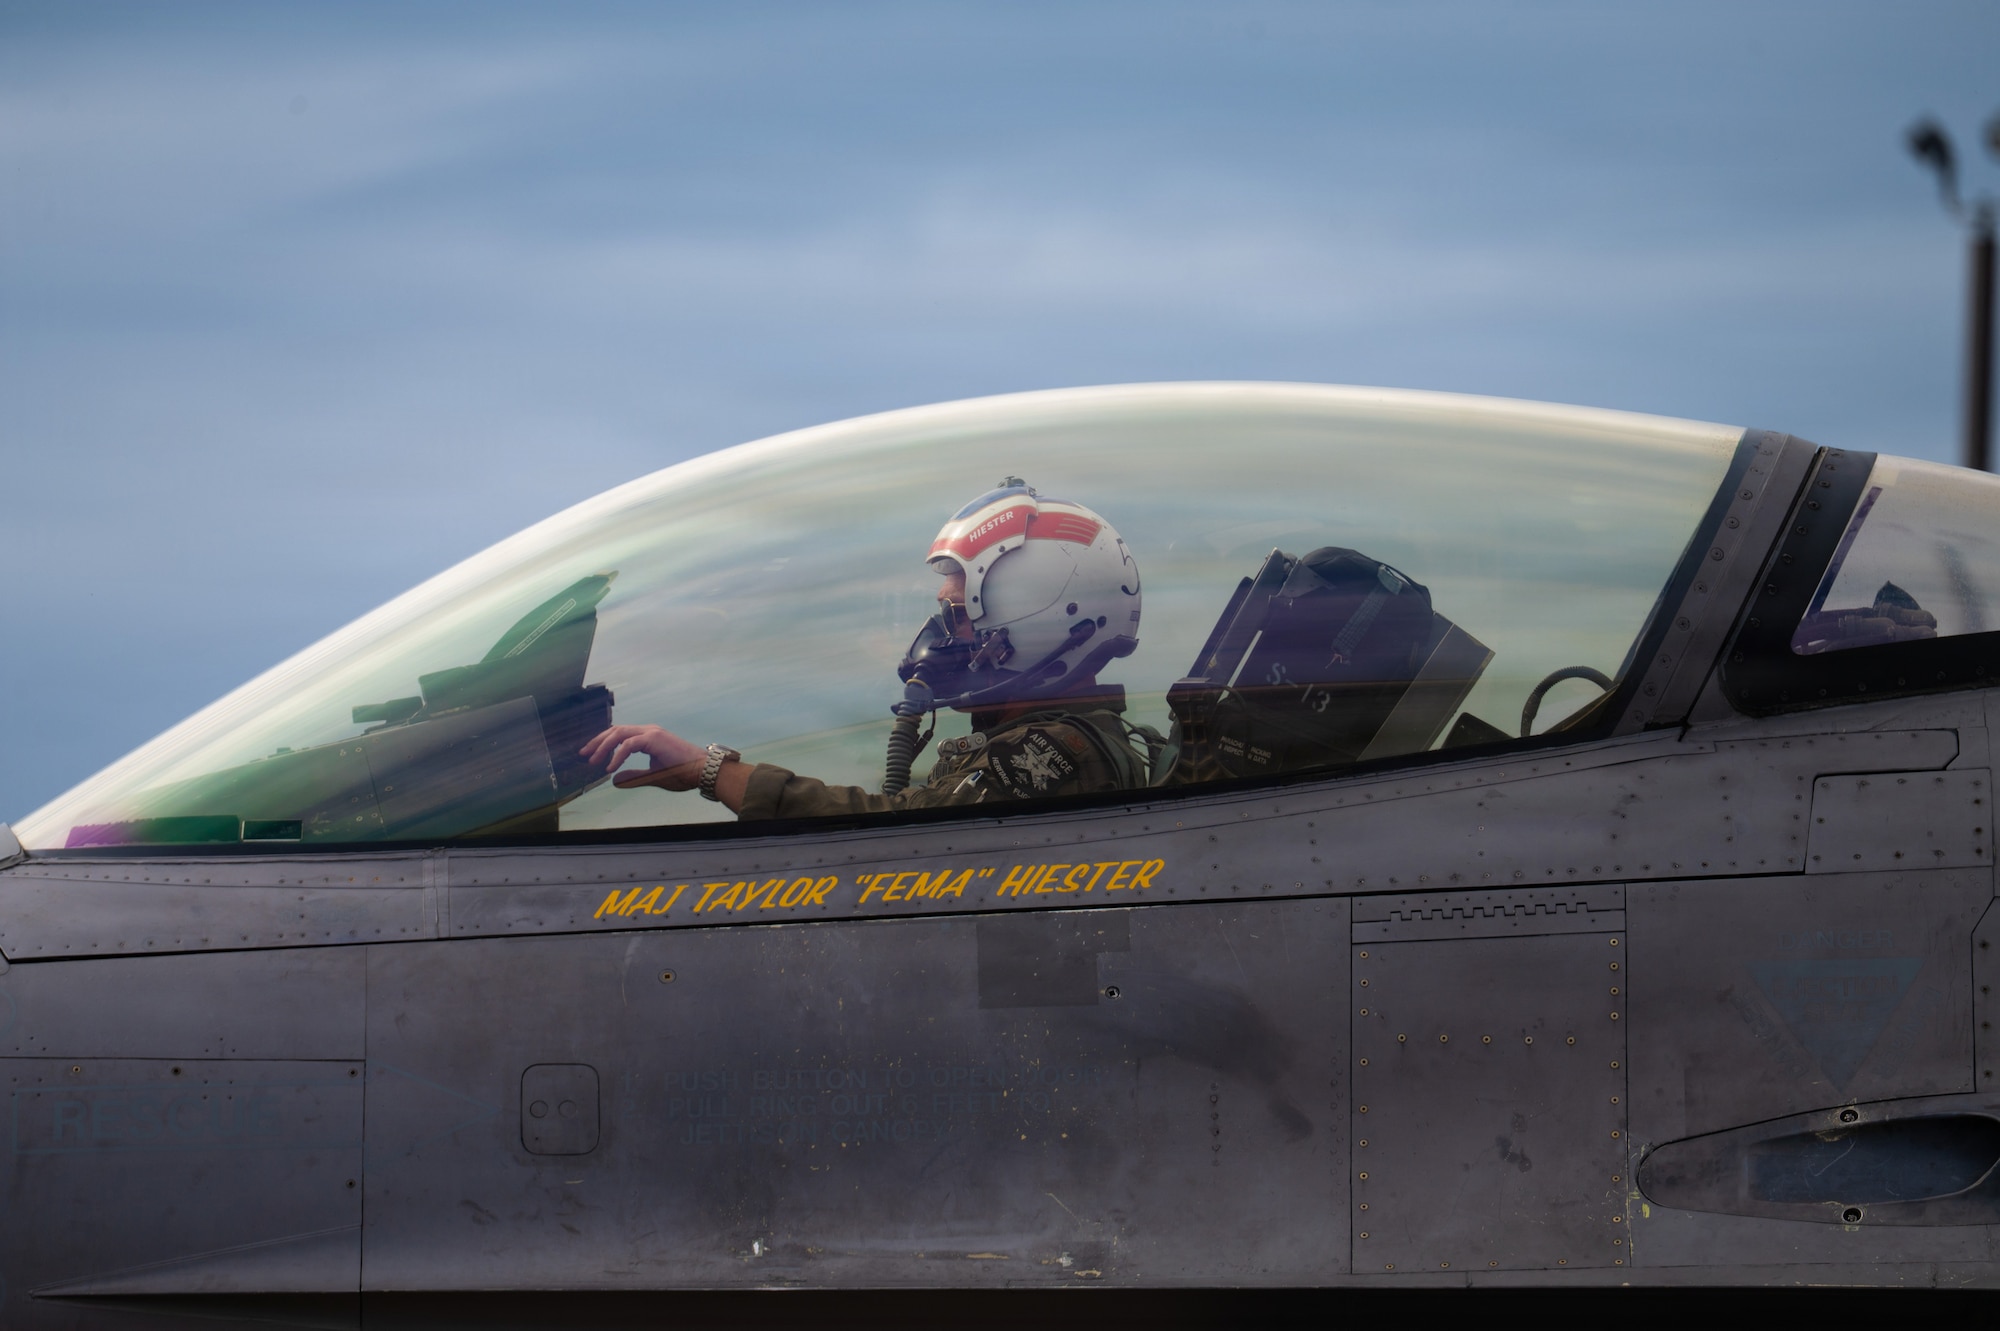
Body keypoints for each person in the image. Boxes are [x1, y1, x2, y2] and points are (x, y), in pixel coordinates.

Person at [581, 479, 1152, 819]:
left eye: (960, 614)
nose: (946, 636)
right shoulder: (1053, 738)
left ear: (1050, 618)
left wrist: (711, 772)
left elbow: (891, 835)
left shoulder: (1056, 753)